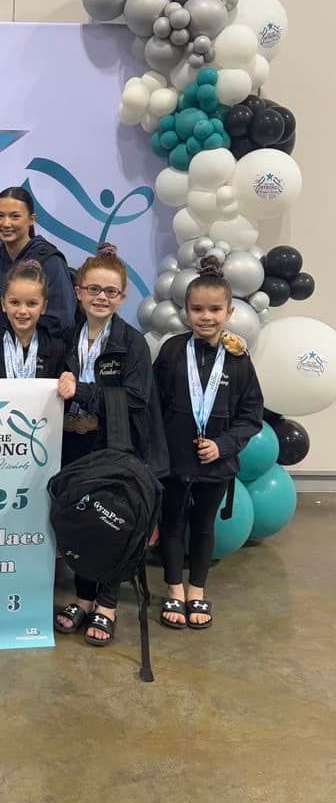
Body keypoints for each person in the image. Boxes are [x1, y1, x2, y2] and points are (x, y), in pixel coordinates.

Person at [54, 244, 167, 646]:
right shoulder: (67, 337)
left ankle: (107, 604)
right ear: (79, 292)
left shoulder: (132, 343)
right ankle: (83, 599)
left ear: (121, 297)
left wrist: (82, 390)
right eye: (94, 289)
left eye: (111, 291)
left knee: (115, 524)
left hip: (116, 447)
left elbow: (136, 397)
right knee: (82, 521)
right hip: (73, 446)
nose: (101, 297)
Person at [153, 259, 263, 630]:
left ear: (229, 312)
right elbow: (153, 405)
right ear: (186, 312)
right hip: (173, 462)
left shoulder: (239, 360)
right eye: (197, 309)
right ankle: (174, 589)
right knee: (170, 525)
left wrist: (224, 445)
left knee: (202, 527)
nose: (206, 317)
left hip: (215, 466)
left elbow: (251, 416)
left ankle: (197, 590)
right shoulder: (170, 351)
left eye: (215, 309)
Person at [0, 187, 76, 339]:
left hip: (44, 356)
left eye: (15, 216)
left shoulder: (50, 260)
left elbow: (62, 320)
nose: (6, 223)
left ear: (31, 219)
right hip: (1, 357)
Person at [0, 260, 65, 379]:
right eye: (14, 302)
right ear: (3, 304)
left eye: (31, 303)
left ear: (43, 307)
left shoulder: (57, 349)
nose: (22, 311)